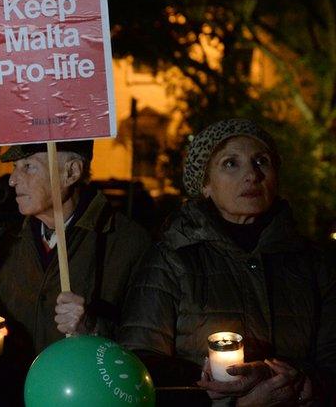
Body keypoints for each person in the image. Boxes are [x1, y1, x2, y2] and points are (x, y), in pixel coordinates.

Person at [119, 119, 335, 405]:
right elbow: (137, 365)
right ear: (205, 184)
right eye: (230, 163)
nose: (251, 175)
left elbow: (332, 361)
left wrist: (301, 384)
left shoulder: (314, 264)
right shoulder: (171, 260)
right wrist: (228, 399)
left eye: (262, 161)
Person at [0, 141, 151, 356]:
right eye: (15, 167)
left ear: (71, 172)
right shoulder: (9, 241)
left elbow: (145, 343)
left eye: (28, 166)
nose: (12, 180)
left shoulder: (127, 243)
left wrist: (92, 328)